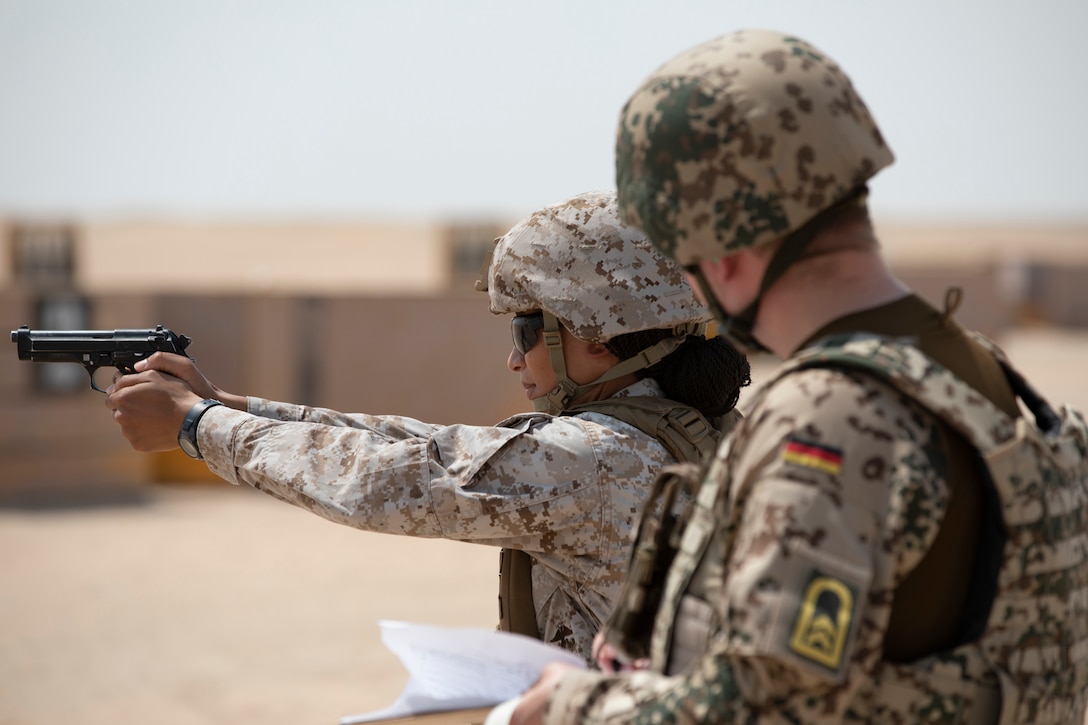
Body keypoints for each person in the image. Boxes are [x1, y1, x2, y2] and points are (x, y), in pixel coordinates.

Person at [507, 29, 1088, 723]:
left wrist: (572, 706)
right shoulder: (979, 374)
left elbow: (764, 708)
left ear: (718, 248)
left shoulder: (830, 419)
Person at [104, 189, 751, 663]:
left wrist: (198, 427)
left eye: (527, 331)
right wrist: (238, 407)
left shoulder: (593, 457)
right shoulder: (712, 430)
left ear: (598, 339)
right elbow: (432, 444)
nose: (514, 357)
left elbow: (382, 480)